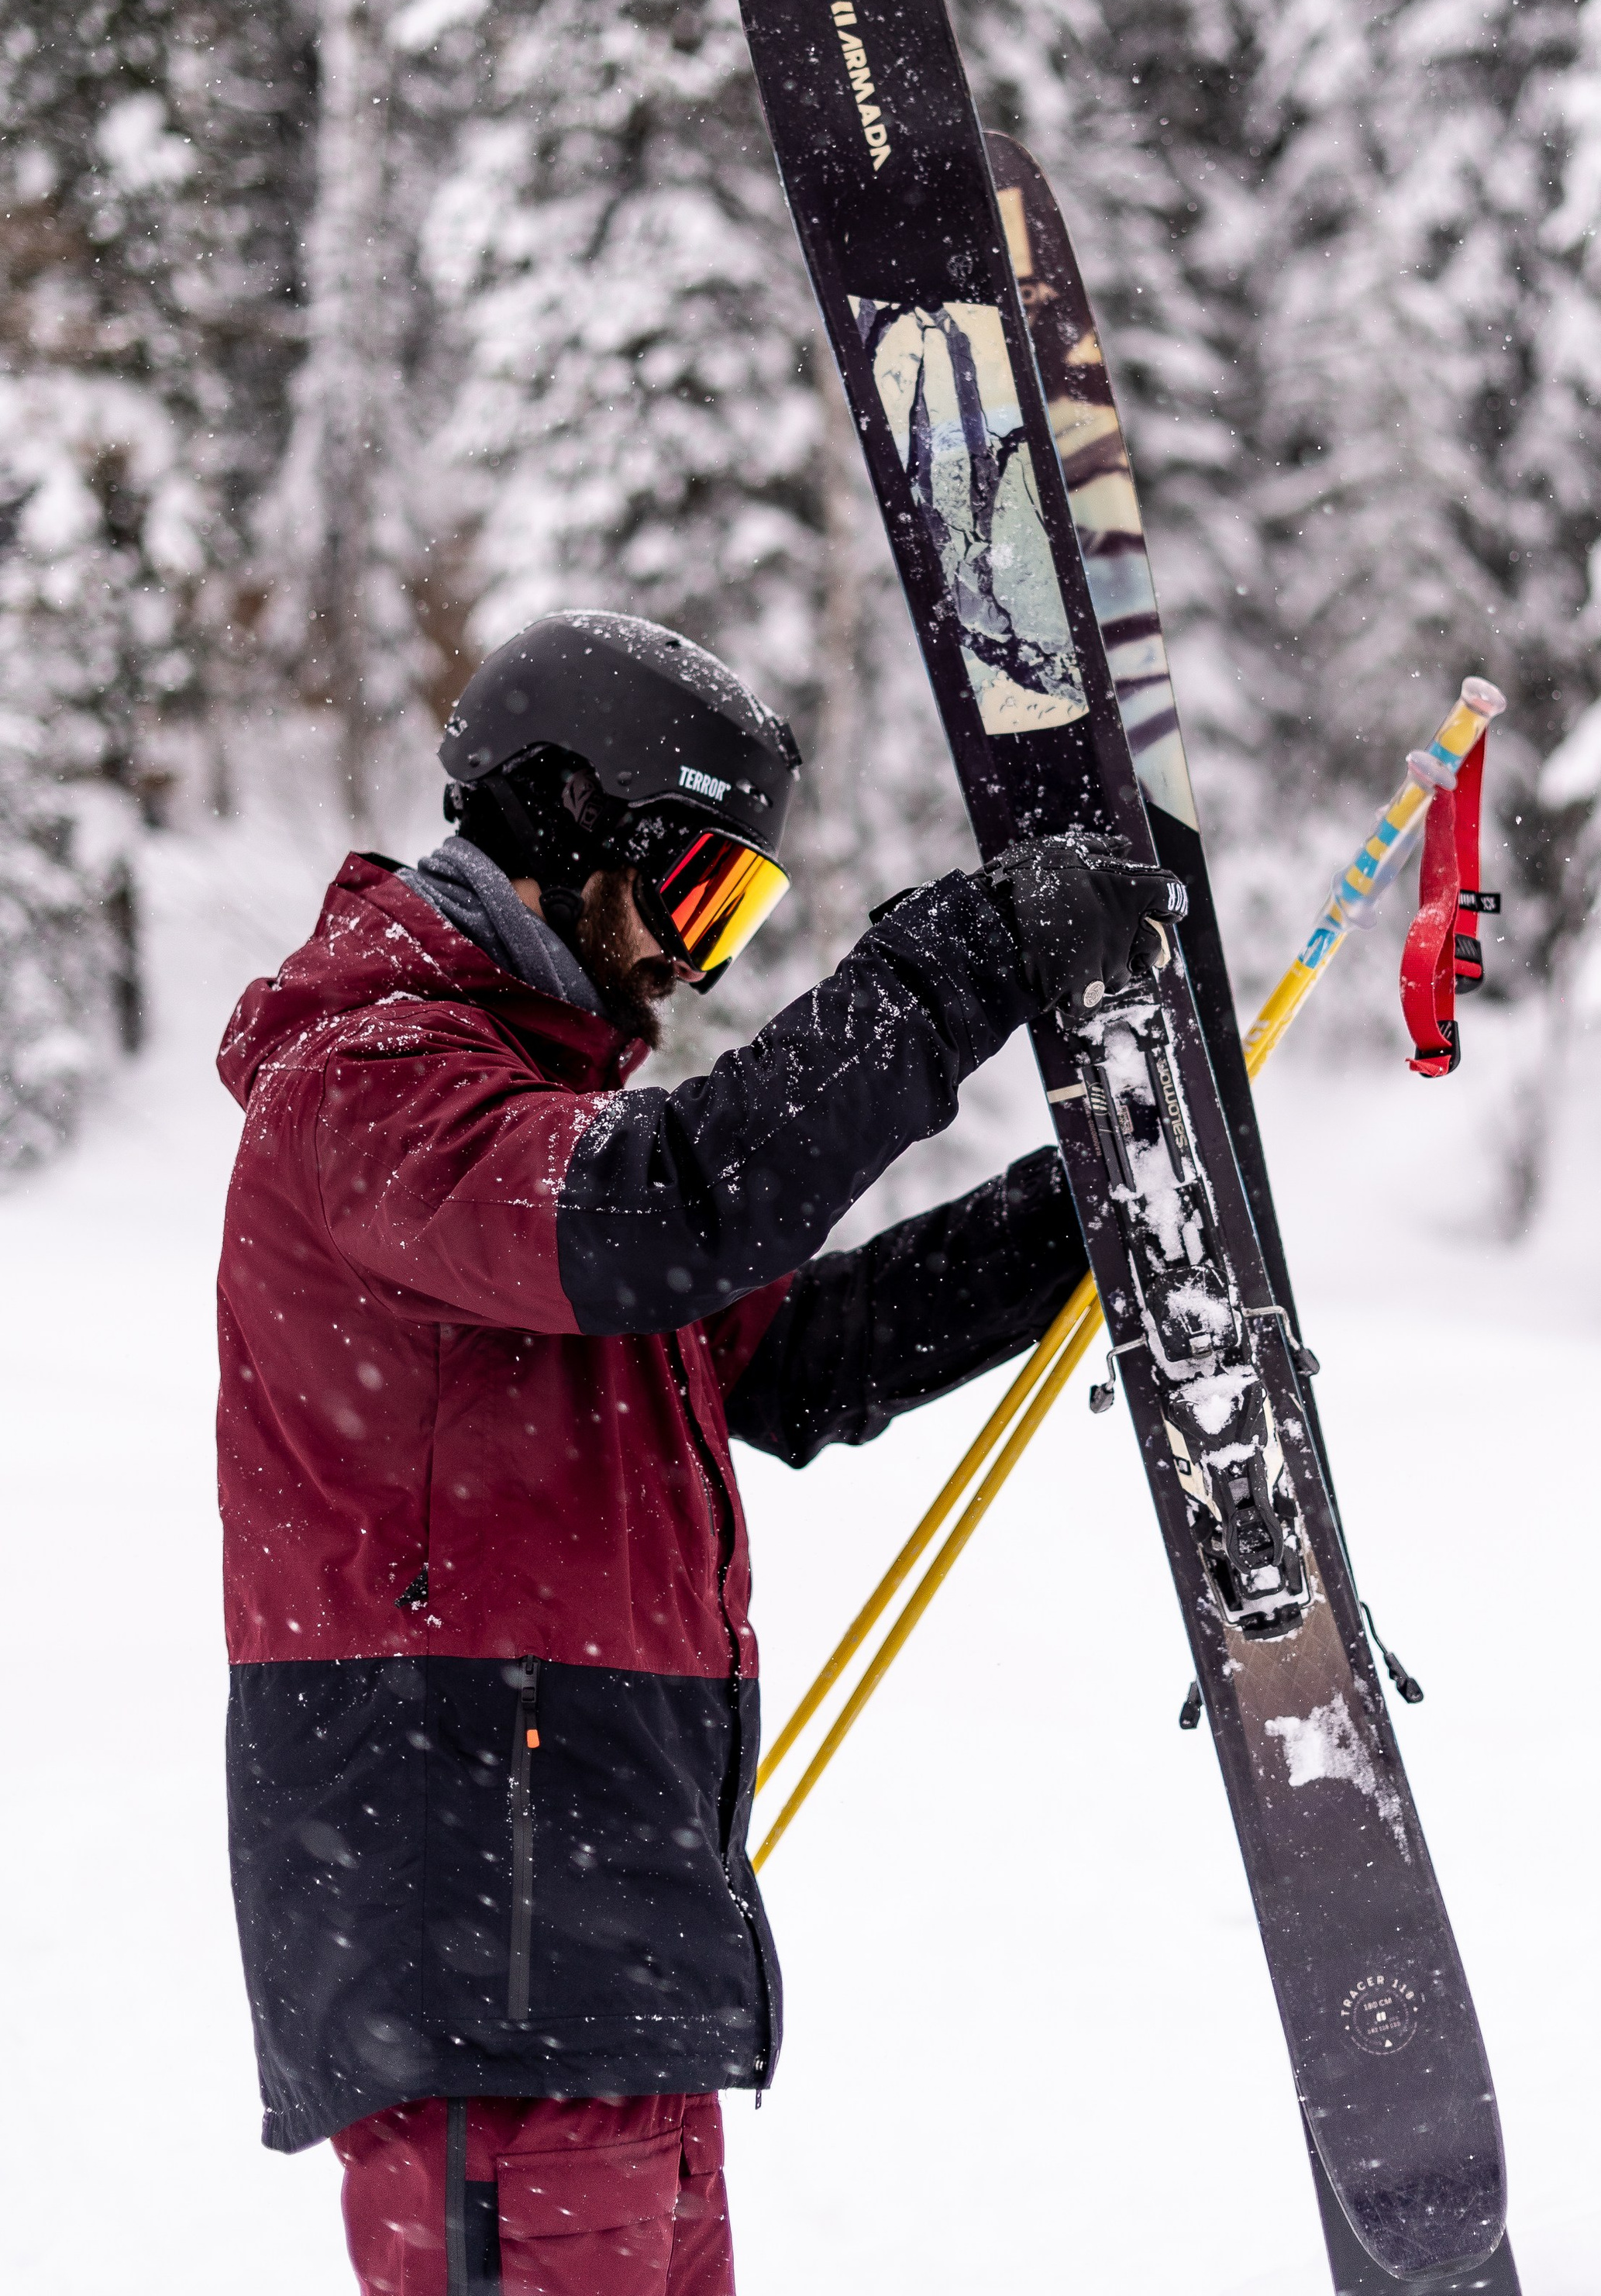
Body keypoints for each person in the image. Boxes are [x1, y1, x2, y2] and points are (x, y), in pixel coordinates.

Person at [215, 608, 1183, 2295]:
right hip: (486, 1973)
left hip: (601, 1959)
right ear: (564, 816)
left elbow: (796, 1351)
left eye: (731, 914)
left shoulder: (528, 1123)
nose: (693, 961)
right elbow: (664, 1214)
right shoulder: (369, 1084)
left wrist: (1083, 1211)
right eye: (699, 893)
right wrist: (953, 964)